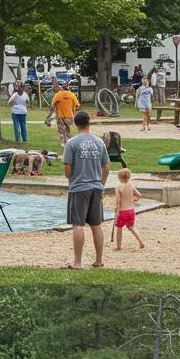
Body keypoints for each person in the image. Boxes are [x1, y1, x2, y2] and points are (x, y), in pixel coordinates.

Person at [63, 110, 110, 270]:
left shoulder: (71, 143)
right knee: (96, 225)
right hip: (96, 187)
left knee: (78, 224)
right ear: (89, 123)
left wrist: (73, 178)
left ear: (76, 124)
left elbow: (67, 169)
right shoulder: (100, 143)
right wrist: (101, 184)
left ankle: (77, 262)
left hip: (79, 187)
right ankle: (99, 260)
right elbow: (106, 167)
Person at [113, 167, 144, 251]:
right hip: (131, 211)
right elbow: (139, 195)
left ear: (119, 177)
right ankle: (141, 242)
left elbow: (118, 202)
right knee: (131, 227)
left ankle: (118, 246)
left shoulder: (118, 187)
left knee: (119, 228)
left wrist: (117, 213)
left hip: (123, 211)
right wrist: (134, 200)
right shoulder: (131, 186)